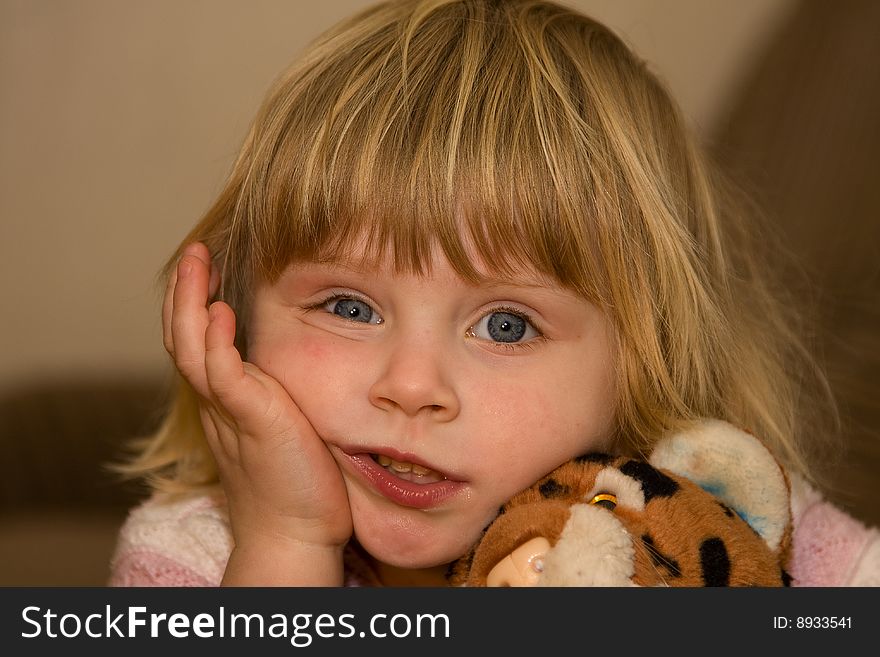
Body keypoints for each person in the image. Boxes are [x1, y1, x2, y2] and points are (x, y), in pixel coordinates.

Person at [109, 0, 879, 587]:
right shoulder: (192, 554)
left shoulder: (726, 511)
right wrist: (287, 540)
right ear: (236, 323)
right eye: (350, 307)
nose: (411, 387)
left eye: (506, 325)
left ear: (645, 358)